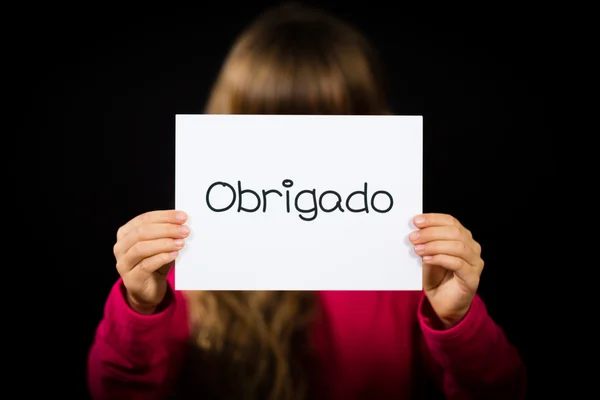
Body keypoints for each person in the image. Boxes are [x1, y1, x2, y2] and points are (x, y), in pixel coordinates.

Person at [87, 3, 526, 399]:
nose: (300, 162)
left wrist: (455, 320)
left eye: (331, 126)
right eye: (274, 126)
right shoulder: (185, 269)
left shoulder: (407, 268)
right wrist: (140, 308)